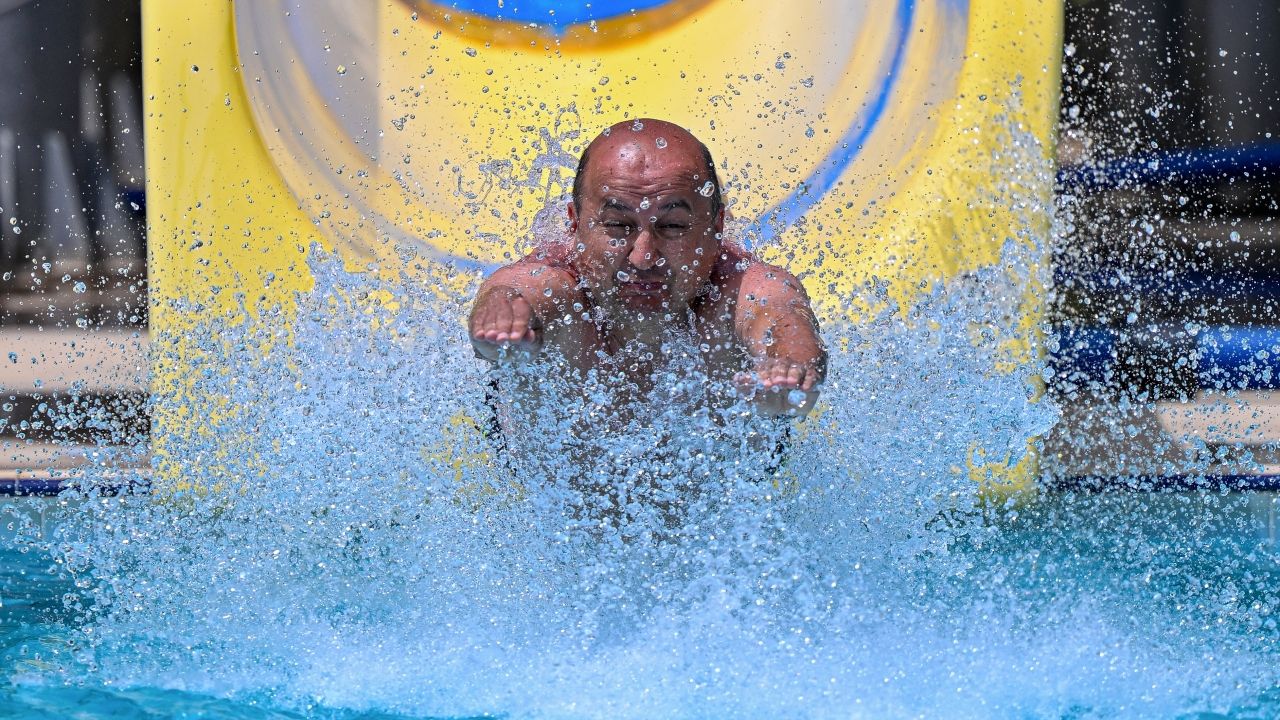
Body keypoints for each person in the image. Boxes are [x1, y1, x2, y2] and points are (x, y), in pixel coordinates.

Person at [468, 118, 826, 427]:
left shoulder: (738, 285)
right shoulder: (558, 281)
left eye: (672, 226)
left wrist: (790, 367)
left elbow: (781, 315)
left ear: (717, 226)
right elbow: (517, 289)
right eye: (617, 225)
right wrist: (501, 317)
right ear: (575, 222)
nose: (643, 257)